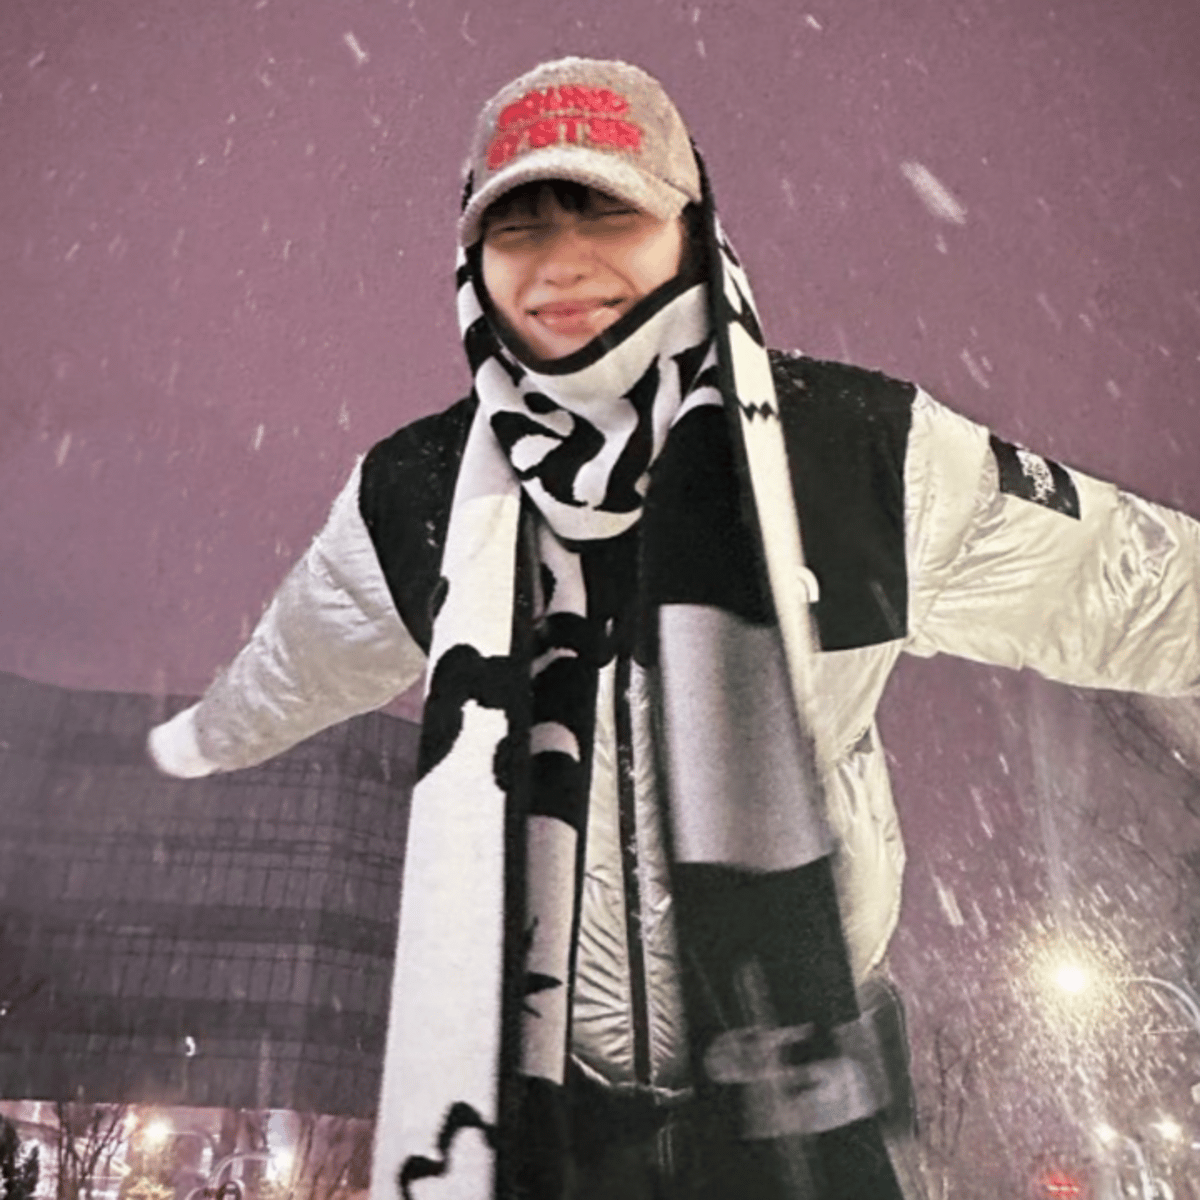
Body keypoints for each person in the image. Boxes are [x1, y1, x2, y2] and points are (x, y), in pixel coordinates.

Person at [148, 57, 1200, 1200]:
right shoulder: (417, 495)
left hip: (805, 1107)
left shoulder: (856, 455)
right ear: (472, 261)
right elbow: (299, 657)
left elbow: (1139, 585)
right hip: (547, 1125)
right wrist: (194, 740)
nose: (563, 262)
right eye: (518, 226)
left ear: (691, 231)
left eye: (609, 212)